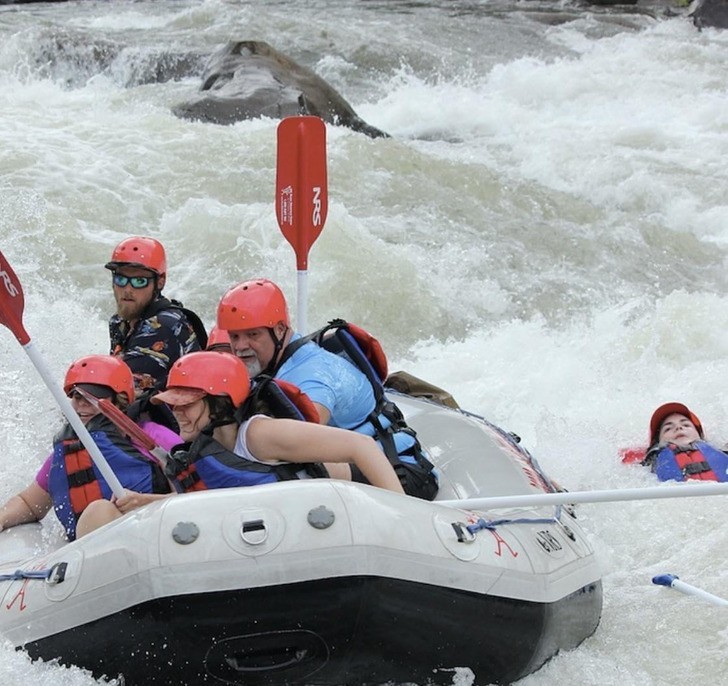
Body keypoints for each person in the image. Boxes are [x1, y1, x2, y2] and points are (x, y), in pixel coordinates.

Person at [76, 351, 405, 534]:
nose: (177, 414)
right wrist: (148, 501)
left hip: (364, 494)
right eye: (173, 405)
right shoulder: (205, 445)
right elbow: (217, 499)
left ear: (220, 404)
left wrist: (403, 519)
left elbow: (362, 448)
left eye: (186, 404)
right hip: (283, 521)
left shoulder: (260, 435)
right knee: (100, 512)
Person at [216, 278, 439, 500]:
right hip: (369, 463)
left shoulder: (312, 379)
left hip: (401, 474)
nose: (241, 346)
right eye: (235, 336)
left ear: (280, 329)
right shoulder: (283, 360)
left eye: (253, 334)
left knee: (280, 466)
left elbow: (293, 446)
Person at [0, 355, 179, 540]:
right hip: (92, 553)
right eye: (77, 397)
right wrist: (2, 518)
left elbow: (194, 498)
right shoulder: (66, 453)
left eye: (94, 398)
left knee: (99, 510)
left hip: (152, 538)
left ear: (120, 401)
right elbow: (29, 504)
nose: (83, 404)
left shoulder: (156, 439)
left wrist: (145, 502)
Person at [105, 236, 207, 395]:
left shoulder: (162, 326)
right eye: (120, 279)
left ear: (160, 282)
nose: (127, 289)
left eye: (139, 281)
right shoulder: (119, 321)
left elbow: (122, 395)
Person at [640, 402, 728, 482]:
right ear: (658, 442)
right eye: (668, 429)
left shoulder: (721, 451)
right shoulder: (647, 463)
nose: (679, 428)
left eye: (686, 425)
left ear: (699, 434)